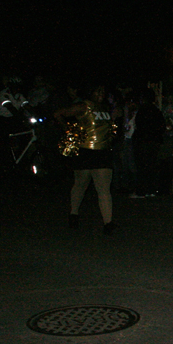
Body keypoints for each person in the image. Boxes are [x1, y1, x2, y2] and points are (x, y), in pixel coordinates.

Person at [54, 83, 116, 234]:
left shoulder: (105, 107)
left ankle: (108, 224)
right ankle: (73, 214)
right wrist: (70, 131)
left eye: (103, 91)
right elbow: (58, 114)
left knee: (103, 189)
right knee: (80, 184)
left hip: (102, 152)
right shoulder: (83, 106)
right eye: (98, 90)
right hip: (86, 151)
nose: (101, 94)